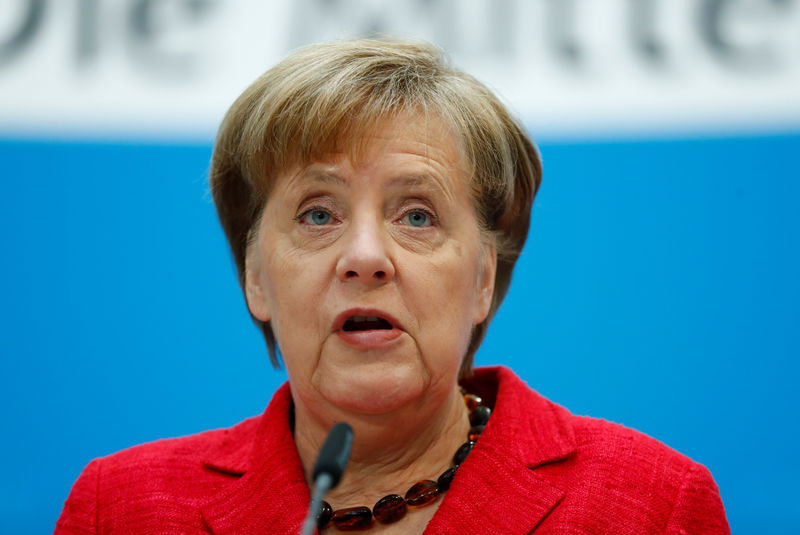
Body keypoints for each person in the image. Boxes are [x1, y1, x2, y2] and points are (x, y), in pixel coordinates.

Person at [55, 39, 729, 534]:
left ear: (483, 280)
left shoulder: (649, 503)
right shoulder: (120, 509)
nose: (366, 257)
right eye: (318, 214)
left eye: (417, 215)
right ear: (255, 277)